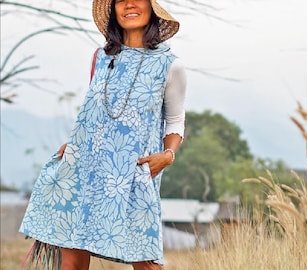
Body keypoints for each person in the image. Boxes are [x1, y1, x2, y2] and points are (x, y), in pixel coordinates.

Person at [19, 0, 186, 269]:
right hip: (85, 168)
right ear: (113, 11)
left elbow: (176, 120)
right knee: (72, 258)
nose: (129, 4)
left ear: (152, 8)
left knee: (145, 259)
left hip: (133, 174)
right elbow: (97, 111)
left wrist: (168, 155)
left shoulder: (169, 65)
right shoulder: (100, 57)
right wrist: (75, 143)